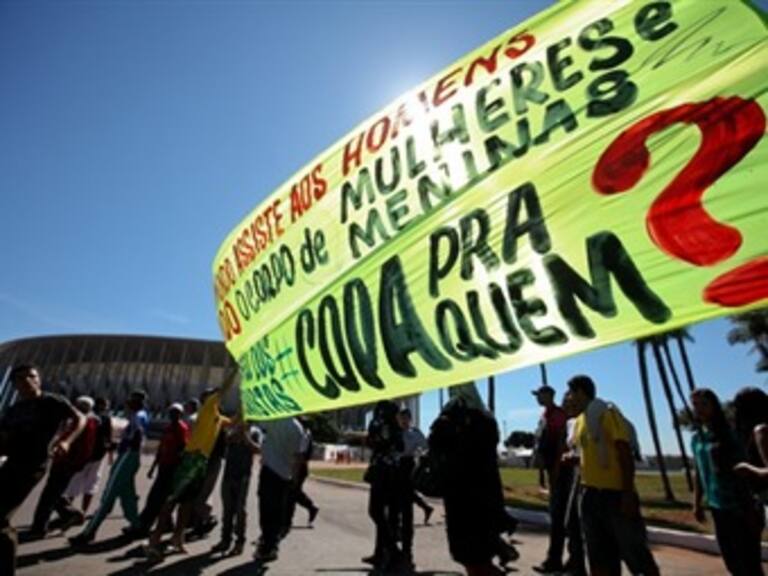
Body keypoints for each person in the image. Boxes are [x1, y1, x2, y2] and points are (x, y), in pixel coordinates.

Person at [567, 375, 658, 576]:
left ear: (581, 392)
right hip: (590, 495)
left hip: (615, 495)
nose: (568, 398)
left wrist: (627, 493)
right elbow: (589, 453)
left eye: (570, 393)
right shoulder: (580, 421)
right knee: (598, 555)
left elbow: (624, 452)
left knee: (634, 553)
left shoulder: (607, 413)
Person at [0, 364, 85, 576]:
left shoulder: (50, 401)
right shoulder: (14, 410)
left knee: (0, 517)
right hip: (11, 462)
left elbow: (79, 419)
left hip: (33, 465)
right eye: (20, 378)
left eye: (32, 375)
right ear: (15, 385)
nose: (27, 380)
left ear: (39, 379)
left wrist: (66, 441)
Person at [143, 368, 238, 559]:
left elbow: (235, 421)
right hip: (191, 459)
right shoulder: (207, 410)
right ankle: (154, 540)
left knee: (187, 503)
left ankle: (177, 539)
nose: (216, 397)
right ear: (207, 399)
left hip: (201, 462)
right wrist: (236, 369)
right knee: (172, 499)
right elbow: (223, 390)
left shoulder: (218, 418)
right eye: (212, 395)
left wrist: (247, 405)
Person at [429, 383, 515, 576]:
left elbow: (436, 445)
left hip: (462, 497)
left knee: (472, 557)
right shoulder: (487, 420)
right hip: (486, 494)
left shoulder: (451, 420)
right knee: (479, 556)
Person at [70, 389, 149, 545]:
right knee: (127, 495)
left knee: (109, 494)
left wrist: (129, 445)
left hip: (128, 456)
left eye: (131, 399)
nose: (128, 402)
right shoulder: (139, 414)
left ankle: (89, 532)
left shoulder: (138, 415)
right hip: (129, 456)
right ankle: (137, 526)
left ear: (138, 402)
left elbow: (137, 434)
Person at [30, 395, 99, 536]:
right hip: (70, 463)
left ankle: (40, 527)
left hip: (65, 463)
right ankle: (68, 514)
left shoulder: (80, 422)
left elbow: (72, 442)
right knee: (53, 493)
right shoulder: (90, 422)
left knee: (48, 496)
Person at [124, 402, 189, 538]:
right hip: (163, 467)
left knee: (156, 498)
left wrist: (179, 469)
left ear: (180, 415)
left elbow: (183, 448)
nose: (173, 415)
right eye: (171, 412)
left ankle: (143, 526)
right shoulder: (168, 428)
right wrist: (153, 467)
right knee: (162, 498)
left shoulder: (181, 428)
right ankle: (167, 524)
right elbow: (161, 449)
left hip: (171, 469)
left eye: (176, 413)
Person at [254, 417, 308, 563]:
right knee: (277, 510)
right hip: (285, 473)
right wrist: (295, 479)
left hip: (270, 470)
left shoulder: (274, 419)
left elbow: (259, 423)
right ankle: (272, 543)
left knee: (266, 509)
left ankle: (267, 544)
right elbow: (299, 456)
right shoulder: (298, 428)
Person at [362, 400, 405, 571]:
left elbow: (375, 442)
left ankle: (393, 551)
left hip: (382, 471)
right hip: (393, 471)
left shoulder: (382, 425)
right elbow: (399, 447)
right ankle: (380, 552)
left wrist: (374, 438)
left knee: (376, 511)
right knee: (385, 514)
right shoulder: (395, 427)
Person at [530, 385, 568, 574]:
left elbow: (560, 442)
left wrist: (555, 470)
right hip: (552, 472)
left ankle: (556, 561)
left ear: (550, 395)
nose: (537, 398)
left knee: (560, 519)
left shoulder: (558, 414)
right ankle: (558, 560)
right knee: (558, 519)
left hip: (559, 473)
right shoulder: (545, 415)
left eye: (540, 394)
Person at [62, 397, 115, 522]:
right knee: (91, 485)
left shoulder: (86, 417)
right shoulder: (105, 419)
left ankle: (68, 512)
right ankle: (83, 512)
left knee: (74, 484)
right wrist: (110, 456)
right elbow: (109, 439)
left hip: (84, 457)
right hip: (97, 457)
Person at [211, 421, 260, 556]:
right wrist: (235, 431)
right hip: (229, 474)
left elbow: (258, 449)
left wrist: (246, 437)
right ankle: (225, 540)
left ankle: (240, 542)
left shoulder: (255, 432)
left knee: (240, 510)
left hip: (243, 476)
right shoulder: (232, 429)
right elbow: (226, 441)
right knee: (227, 510)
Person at [394, 407, 431, 567]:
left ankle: (407, 549)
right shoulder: (394, 433)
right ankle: (394, 544)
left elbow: (425, 447)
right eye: (400, 418)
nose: (403, 421)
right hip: (394, 469)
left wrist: (420, 457)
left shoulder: (415, 433)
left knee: (407, 512)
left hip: (407, 467)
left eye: (405, 418)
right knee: (393, 511)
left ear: (410, 419)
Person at [284, 417, 319, 529]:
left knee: (292, 493)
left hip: (300, 466)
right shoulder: (306, 434)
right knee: (293, 492)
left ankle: (288, 520)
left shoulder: (304, 434)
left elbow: (301, 454)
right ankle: (310, 507)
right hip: (298, 465)